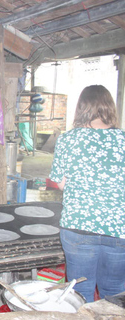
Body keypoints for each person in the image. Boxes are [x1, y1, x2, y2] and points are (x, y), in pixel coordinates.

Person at [50, 85, 125, 303]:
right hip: (119, 229)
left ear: (81, 108)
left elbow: (60, 182)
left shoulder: (68, 140)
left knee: (79, 295)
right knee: (114, 291)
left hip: (78, 227)